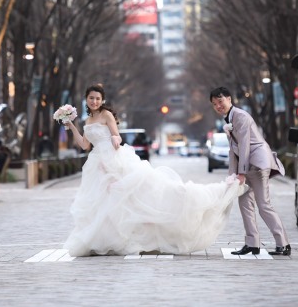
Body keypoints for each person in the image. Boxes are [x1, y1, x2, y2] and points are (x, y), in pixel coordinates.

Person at [62, 83, 245, 257]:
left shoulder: (106, 115)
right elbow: (84, 144)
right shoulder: (88, 120)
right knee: (105, 203)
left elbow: (116, 135)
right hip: (97, 164)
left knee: (136, 197)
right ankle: (107, 239)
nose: (94, 101)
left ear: (102, 100)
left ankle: (207, 198)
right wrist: (71, 126)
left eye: (97, 98)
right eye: (91, 98)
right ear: (86, 99)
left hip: (113, 160)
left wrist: (115, 140)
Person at [210, 86, 291, 256]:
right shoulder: (229, 119)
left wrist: (241, 173)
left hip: (258, 164)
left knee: (264, 205)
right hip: (248, 166)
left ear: (229, 99)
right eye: (214, 104)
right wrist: (232, 176)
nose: (218, 106)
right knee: (245, 204)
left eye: (220, 101)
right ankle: (252, 244)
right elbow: (233, 150)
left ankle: (283, 244)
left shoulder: (241, 116)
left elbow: (245, 145)